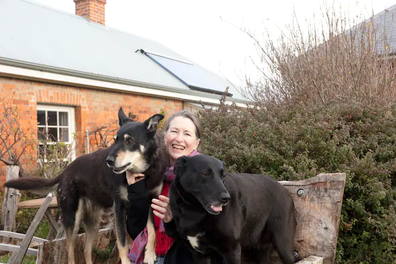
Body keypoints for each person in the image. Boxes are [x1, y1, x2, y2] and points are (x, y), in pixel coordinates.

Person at [125, 110, 201, 264]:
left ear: (196, 142)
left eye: (187, 134)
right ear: (165, 136)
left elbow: (207, 235)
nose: (179, 139)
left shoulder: (203, 177)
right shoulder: (150, 174)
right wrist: (136, 189)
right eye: (174, 131)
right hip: (150, 258)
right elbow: (136, 230)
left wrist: (173, 219)